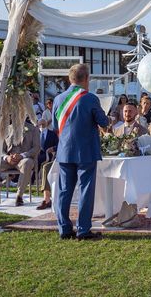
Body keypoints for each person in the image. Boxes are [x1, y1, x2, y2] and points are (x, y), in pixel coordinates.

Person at [54, 64, 109, 240]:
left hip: (64, 151)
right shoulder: (90, 98)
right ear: (86, 79)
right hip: (86, 151)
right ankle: (83, 230)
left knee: (64, 191)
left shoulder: (58, 99)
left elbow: (56, 127)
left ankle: (64, 229)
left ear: (70, 79)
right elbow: (104, 122)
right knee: (85, 190)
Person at [0, 120, 40, 206]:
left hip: (23, 159)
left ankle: (19, 196)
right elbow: (0, 149)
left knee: (27, 162)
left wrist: (22, 155)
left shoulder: (33, 129)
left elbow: (36, 148)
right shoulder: (6, 129)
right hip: (9, 160)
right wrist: (6, 157)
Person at [36, 118, 59, 210]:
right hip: (38, 155)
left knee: (44, 164)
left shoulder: (53, 134)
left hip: (51, 156)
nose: (41, 127)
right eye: (40, 125)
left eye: (43, 124)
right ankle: (46, 199)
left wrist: (52, 149)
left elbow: (58, 145)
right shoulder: (35, 134)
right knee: (44, 166)